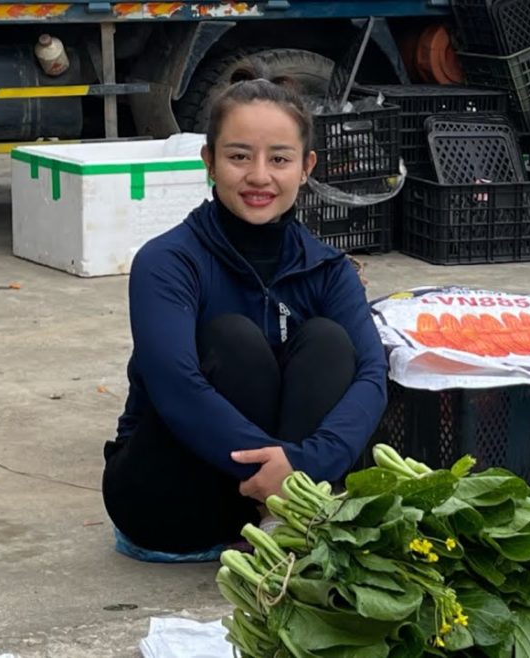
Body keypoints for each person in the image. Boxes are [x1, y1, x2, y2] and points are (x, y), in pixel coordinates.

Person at [101, 79, 388, 557]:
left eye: (279, 159)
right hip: (170, 497)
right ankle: (278, 510)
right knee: (234, 338)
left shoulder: (328, 269)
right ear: (209, 162)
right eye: (238, 157)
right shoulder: (168, 261)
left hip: (286, 501)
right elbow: (175, 386)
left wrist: (299, 466)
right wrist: (276, 471)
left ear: (306, 167)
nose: (259, 176)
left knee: (331, 342)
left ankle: (281, 521)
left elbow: (373, 376)